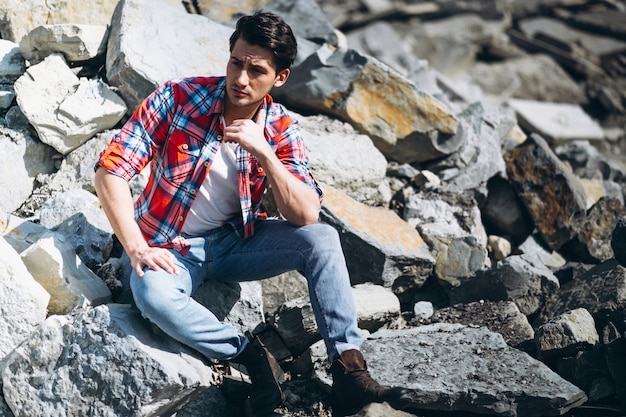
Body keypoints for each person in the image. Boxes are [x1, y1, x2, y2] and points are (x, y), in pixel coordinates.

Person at [94, 10, 410, 416]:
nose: (241, 79)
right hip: (167, 247)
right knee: (153, 297)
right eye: (236, 63)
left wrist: (264, 153)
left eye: (256, 70)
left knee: (323, 239)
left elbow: (306, 215)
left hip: (233, 245)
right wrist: (135, 249)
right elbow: (109, 172)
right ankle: (253, 356)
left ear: (280, 77)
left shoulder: (280, 129)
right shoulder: (178, 98)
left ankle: (349, 370)